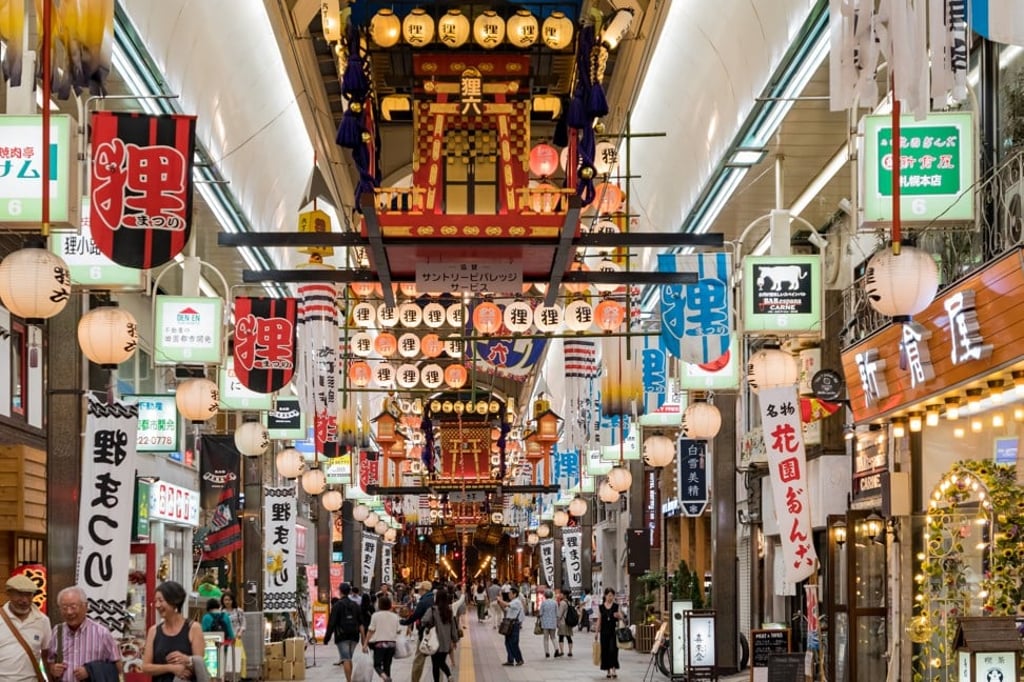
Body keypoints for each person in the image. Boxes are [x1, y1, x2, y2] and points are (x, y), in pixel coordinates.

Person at [46, 585, 122, 682]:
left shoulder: (102, 633)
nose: (69, 612)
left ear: (85, 607)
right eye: (64, 608)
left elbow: (118, 667)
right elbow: (50, 660)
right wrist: (53, 668)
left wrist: (91, 670)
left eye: (73, 607)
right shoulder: (57, 631)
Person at [142, 580, 206, 682]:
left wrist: (187, 660)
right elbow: (145, 667)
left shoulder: (194, 628)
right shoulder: (153, 631)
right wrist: (171, 668)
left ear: (174, 602)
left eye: (161, 600)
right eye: (155, 601)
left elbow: (199, 665)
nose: (157, 605)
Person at [0, 575, 52, 682]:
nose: (24, 600)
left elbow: (47, 656)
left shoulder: (42, 621)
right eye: (19, 594)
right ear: (9, 594)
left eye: (29, 595)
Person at [323, 583, 365, 682]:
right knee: (349, 657)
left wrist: (327, 638)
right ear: (349, 591)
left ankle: (349, 680)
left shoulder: (337, 605)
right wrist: (363, 639)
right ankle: (349, 678)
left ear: (340, 591)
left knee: (346, 658)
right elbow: (361, 623)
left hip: (342, 636)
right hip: (354, 636)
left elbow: (332, 623)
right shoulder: (355, 605)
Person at [420, 589, 460, 682]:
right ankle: (449, 676)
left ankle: (442, 678)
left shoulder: (432, 609)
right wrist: (454, 639)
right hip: (446, 642)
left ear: (436, 598)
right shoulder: (449, 610)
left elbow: (424, 620)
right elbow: (453, 626)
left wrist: (429, 624)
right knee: (441, 661)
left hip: (434, 642)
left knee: (435, 664)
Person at [399, 581, 435, 682]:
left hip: (424, 633)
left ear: (424, 590)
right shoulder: (434, 599)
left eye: (419, 589)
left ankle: (415, 680)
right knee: (437, 662)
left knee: (419, 660)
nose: (418, 591)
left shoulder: (423, 602)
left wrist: (404, 622)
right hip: (435, 633)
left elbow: (415, 616)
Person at [364, 594, 401, 682]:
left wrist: (365, 643)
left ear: (379, 605)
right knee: (387, 665)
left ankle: (384, 677)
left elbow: (370, 630)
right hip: (391, 644)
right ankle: (387, 678)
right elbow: (399, 631)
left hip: (379, 644)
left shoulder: (375, 615)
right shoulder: (395, 616)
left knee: (377, 665)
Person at [220, 592, 246, 682]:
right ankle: (226, 678)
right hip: (225, 639)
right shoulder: (221, 612)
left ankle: (236, 678)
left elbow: (243, 624)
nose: (227, 602)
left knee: (237, 659)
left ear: (232, 600)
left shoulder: (239, 611)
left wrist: (240, 632)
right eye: (225, 600)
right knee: (225, 659)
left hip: (236, 638)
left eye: (229, 600)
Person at [597, 588, 622, 678]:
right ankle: (608, 670)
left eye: (612, 595)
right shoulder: (601, 607)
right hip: (604, 632)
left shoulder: (616, 606)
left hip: (613, 631)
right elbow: (599, 620)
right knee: (605, 651)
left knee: (613, 650)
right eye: (609, 595)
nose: (610, 597)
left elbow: (621, 617)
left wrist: (619, 616)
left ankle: (614, 669)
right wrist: (596, 632)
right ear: (605, 595)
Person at [498, 586, 525, 666]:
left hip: (514, 624)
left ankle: (519, 659)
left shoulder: (516, 602)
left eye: (510, 593)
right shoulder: (513, 602)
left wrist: (501, 600)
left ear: (514, 594)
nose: (509, 595)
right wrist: (500, 604)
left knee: (513, 642)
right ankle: (510, 660)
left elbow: (507, 605)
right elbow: (505, 610)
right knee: (508, 642)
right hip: (509, 624)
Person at [537, 589, 557, 658]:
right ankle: (556, 648)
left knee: (546, 638)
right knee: (553, 637)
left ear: (545, 595)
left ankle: (547, 652)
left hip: (545, 622)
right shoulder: (555, 602)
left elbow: (540, 613)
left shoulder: (544, 603)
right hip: (553, 622)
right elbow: (557, 613)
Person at [555, 589, 574, 657]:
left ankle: (562, 651)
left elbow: (559, 614)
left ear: (564, 595)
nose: (560, 595)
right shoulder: (570, 602)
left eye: (561, 594)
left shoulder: (562, 603)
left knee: (561, 637)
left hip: (563, 622)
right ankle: (570, 652)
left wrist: (557, 622)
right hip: (569, 622)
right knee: (569, 637)